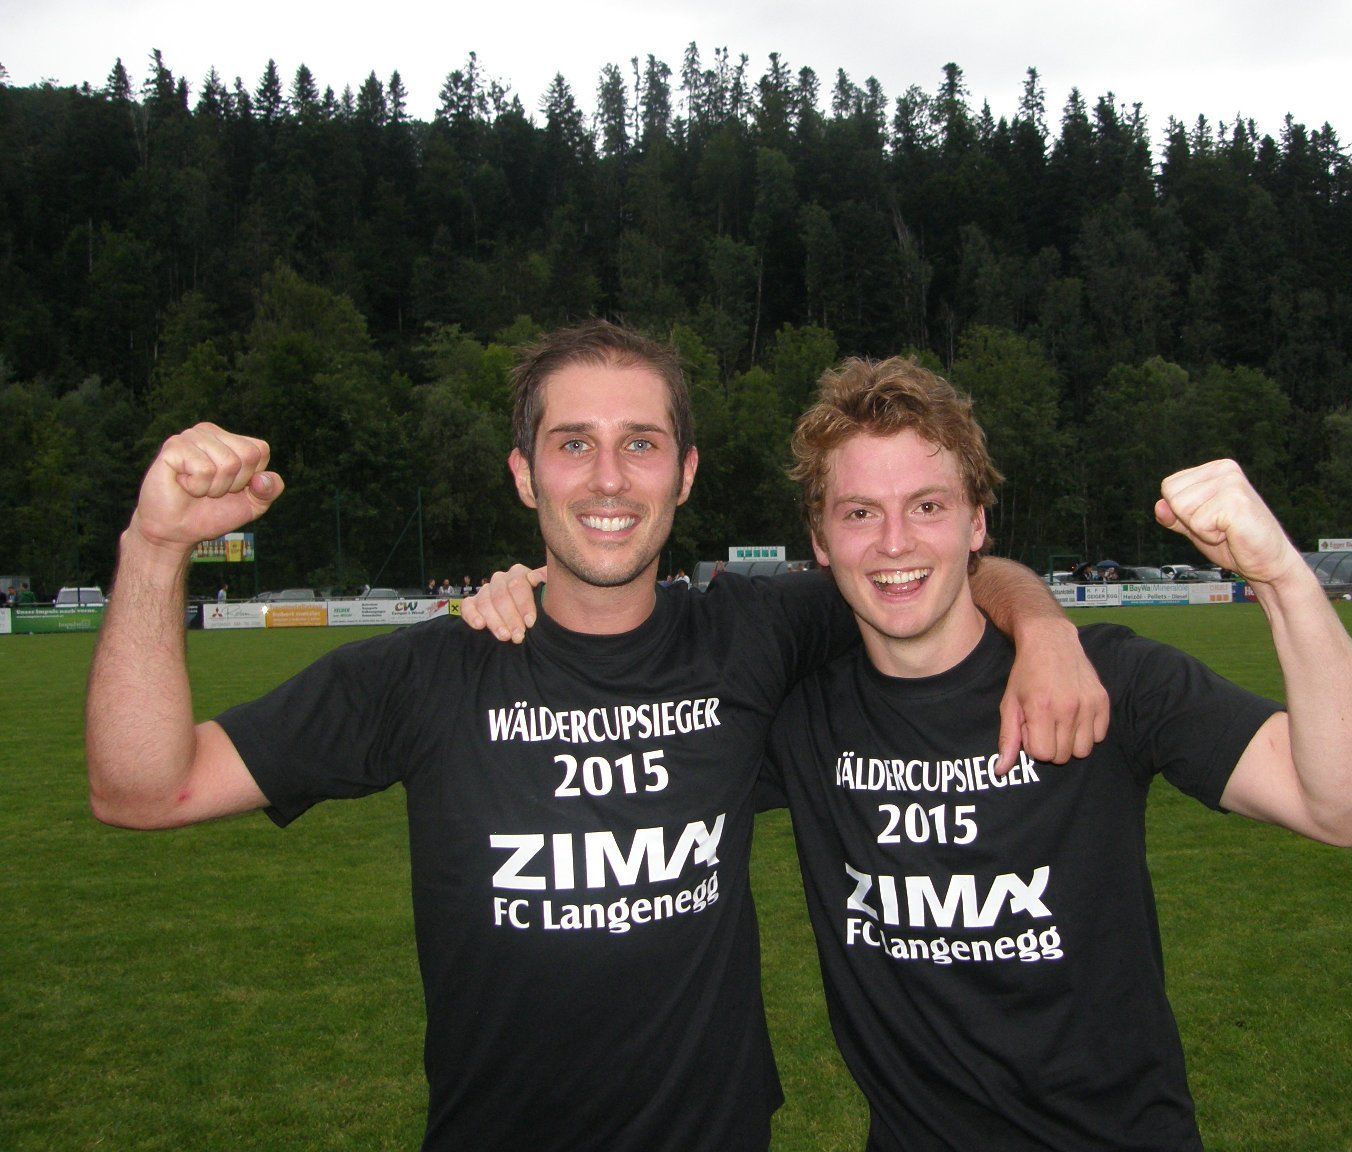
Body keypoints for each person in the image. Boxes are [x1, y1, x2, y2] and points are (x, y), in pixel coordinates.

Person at [85, 321, 1107, 1152]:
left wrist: (1045, 629)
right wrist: (156, 544)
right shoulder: (430, 673)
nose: (609, 478)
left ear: (685, 473)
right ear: (525, 474)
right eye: (573, 444)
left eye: (641, 444)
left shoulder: (755, 635)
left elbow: (934, 569)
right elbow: (142, 789)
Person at [736, 357, 1352, 1151]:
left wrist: (1281, 577)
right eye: (858, 513)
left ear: (976, 524)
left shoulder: (1109, 679)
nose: (894, 542)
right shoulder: (797, 718)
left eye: (927, 505)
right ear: (820, 539)